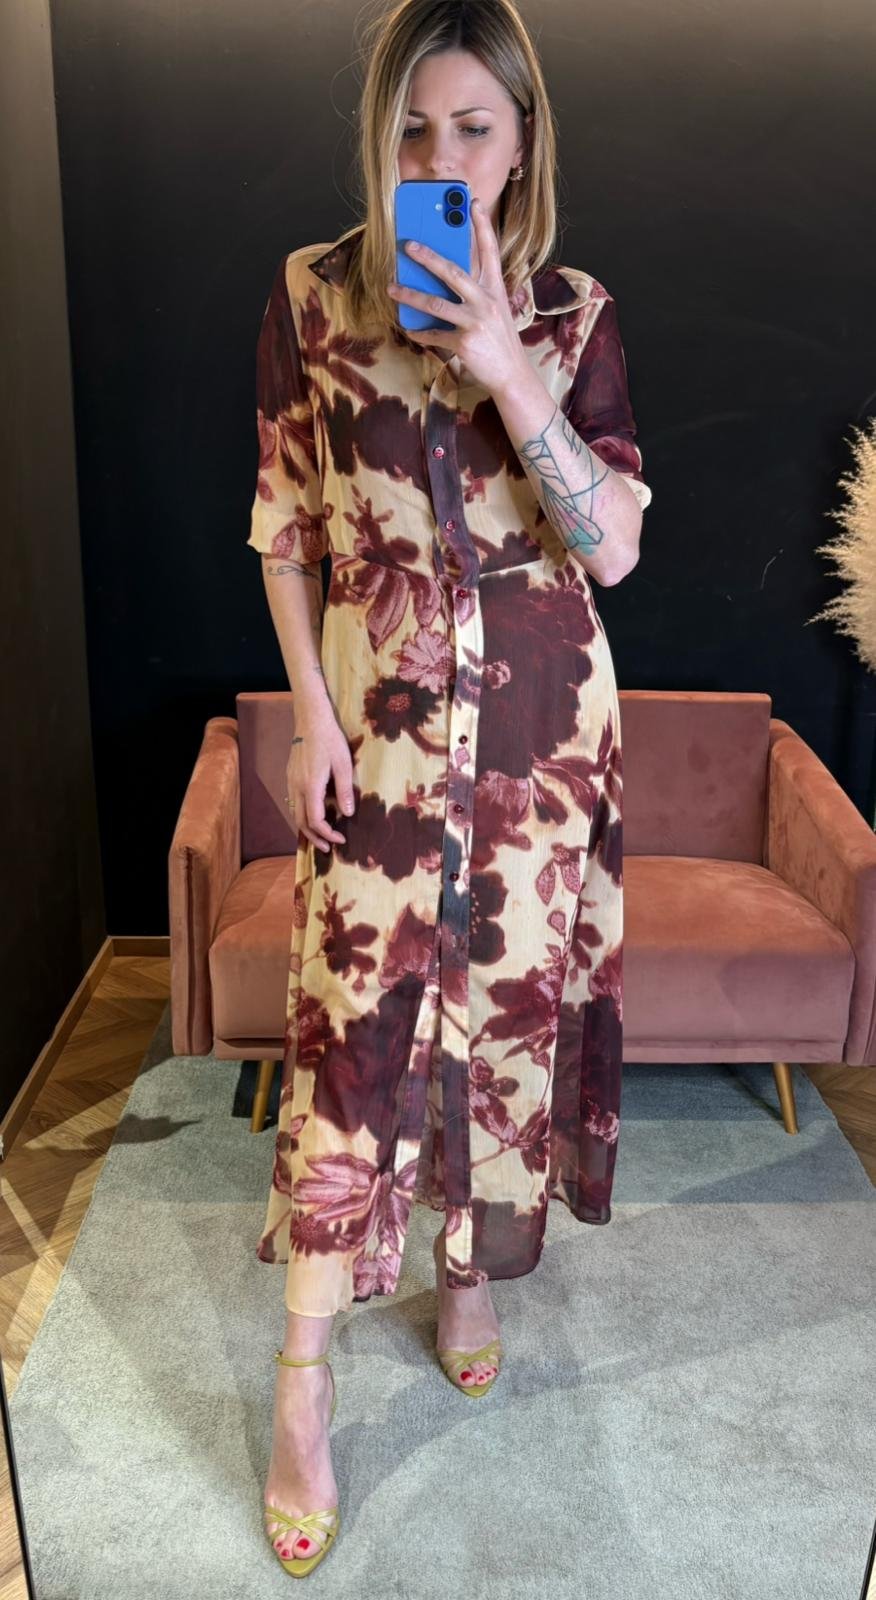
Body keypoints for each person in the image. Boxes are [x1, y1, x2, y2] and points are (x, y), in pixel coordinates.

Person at [247, 0, 653, 1574]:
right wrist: (310, 714)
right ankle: (303, 1377)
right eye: (413, 129)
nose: (441, 157)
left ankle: (469, 1272)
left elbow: (614, 546)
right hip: (389, 734)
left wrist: (501, 362)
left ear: (523, 141)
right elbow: (287, 525)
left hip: (544, 745)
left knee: (502, 1035)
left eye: (474, 128)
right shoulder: (313, 297)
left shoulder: (575, 314)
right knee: (351, 1050)